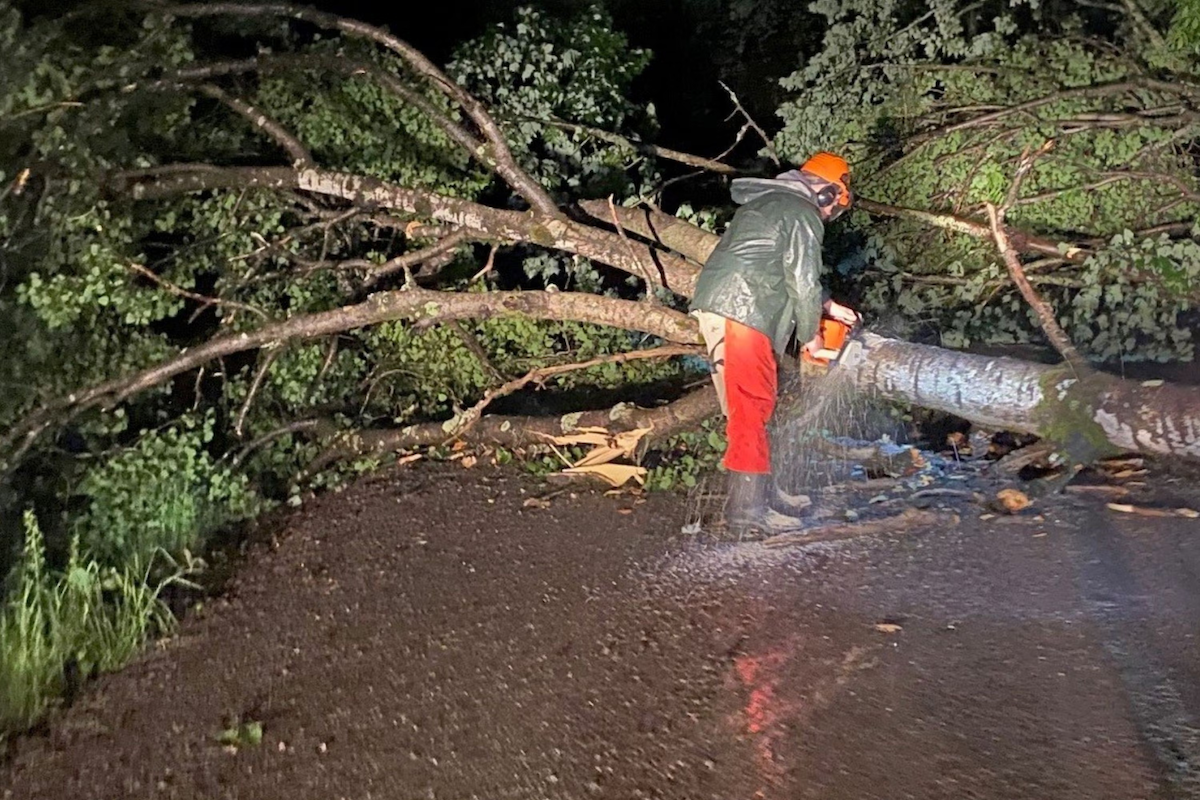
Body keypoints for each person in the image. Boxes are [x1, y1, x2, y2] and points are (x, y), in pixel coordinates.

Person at [689, 152, 859, 533]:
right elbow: (801, 279)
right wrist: (813, 338)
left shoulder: (775, 202)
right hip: (742, 308)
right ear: (825, 192)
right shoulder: (801, 213)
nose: (833, 213)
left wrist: (828, 305)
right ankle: (747, 515)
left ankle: (764, 495)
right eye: (835, 203)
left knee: (758, 403)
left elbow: (784, 265)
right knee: (750, 406)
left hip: (743, 306)